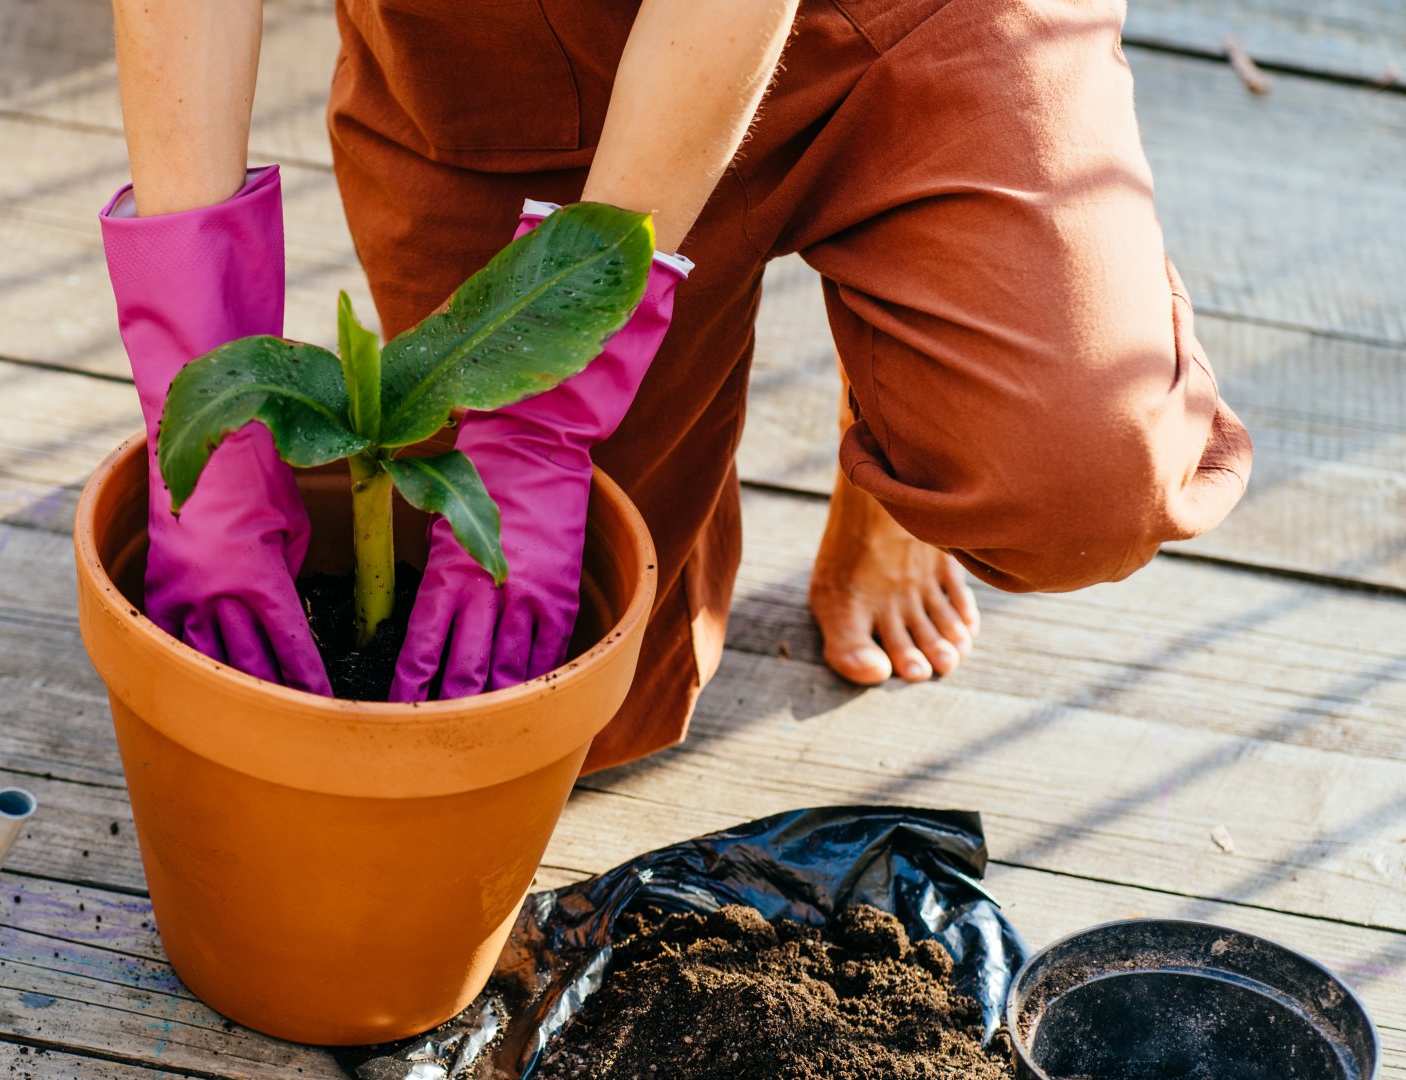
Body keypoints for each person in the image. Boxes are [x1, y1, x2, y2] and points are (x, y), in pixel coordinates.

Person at [100, 0, 1252, 773]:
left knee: (1070, 479)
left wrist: (549, 399)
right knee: (582, 717)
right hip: (511, 53)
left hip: (913, 20)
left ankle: (902, 417)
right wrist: (194, 398)